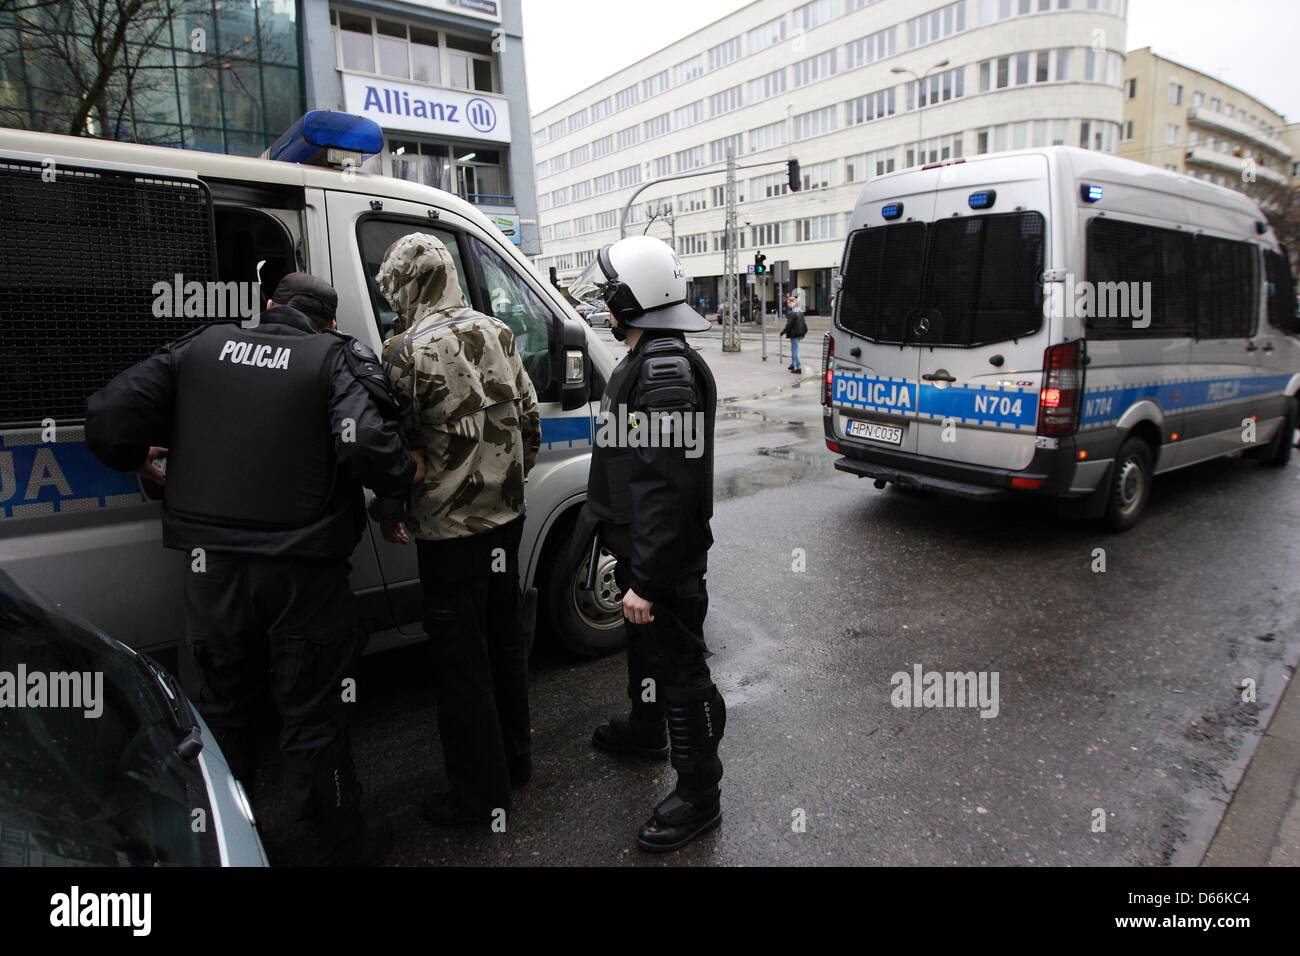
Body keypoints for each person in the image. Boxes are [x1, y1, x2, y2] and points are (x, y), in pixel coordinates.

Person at [85, 273, 423, 866]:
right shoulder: (335, 358)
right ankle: (339, 848)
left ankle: (220, 845)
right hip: (303, 576)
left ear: (269, 308)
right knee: (312, 716)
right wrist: (404, 473)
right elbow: (368, 447)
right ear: (329, 322)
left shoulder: (201, 348)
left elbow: (109, 419)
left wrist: (139, 459)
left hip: (210, 571)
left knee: (214, 716)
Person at [369, 232, 541, 827]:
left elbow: (402, 453)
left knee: (460, 663)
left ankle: (479, 794)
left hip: (447, 536)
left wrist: (391, 510)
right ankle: (516, 762)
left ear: (408, 284)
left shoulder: (402, 353)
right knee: (505, 641)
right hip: (507, 523)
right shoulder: (498, 331)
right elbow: (529, 419)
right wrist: (508, 487)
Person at [569, 235, 726, 853]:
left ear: (633, 299)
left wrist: (648, 580)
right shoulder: (650, 357)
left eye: (611, 295)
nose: (604, 306)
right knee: (645, 648)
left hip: (662, 560)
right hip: (641, 549)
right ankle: (645, 727)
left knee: (680, 668)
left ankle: (699, 795)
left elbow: (668, 485)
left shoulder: (663, 370)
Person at [781, 294, 808, 374]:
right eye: (788, 303)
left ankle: (798, 367)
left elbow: (789, 324)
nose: (788, 304)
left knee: (795, 350)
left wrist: (783, 332)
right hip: (799, 333)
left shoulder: (792, 313)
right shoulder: (800, 311)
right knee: (793, 349)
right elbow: (804, 323)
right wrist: (804, 332)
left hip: (794, 333)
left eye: (789, 303)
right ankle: (793, 364)